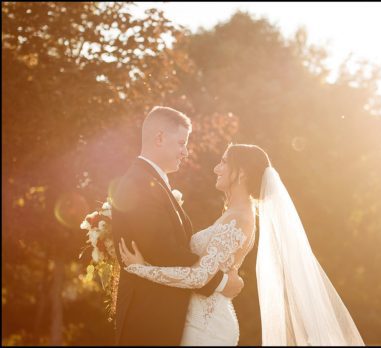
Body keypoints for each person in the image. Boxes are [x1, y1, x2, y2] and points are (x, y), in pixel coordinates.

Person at [120, 143, 366, 346]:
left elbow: (199, 277)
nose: (217, 168)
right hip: (194, 318)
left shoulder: (240, 219)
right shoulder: (233, 214)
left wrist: (141, 268)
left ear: (243, 172)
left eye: (224, 162)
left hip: (207, 327)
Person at [111, 106, 244, 346]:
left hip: (161, 317)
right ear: (160, 138)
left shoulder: (150, 181)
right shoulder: (139, 183)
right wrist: (220, 282)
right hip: (149, 321)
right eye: (181, 143)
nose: (185, 152)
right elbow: (163, 251)